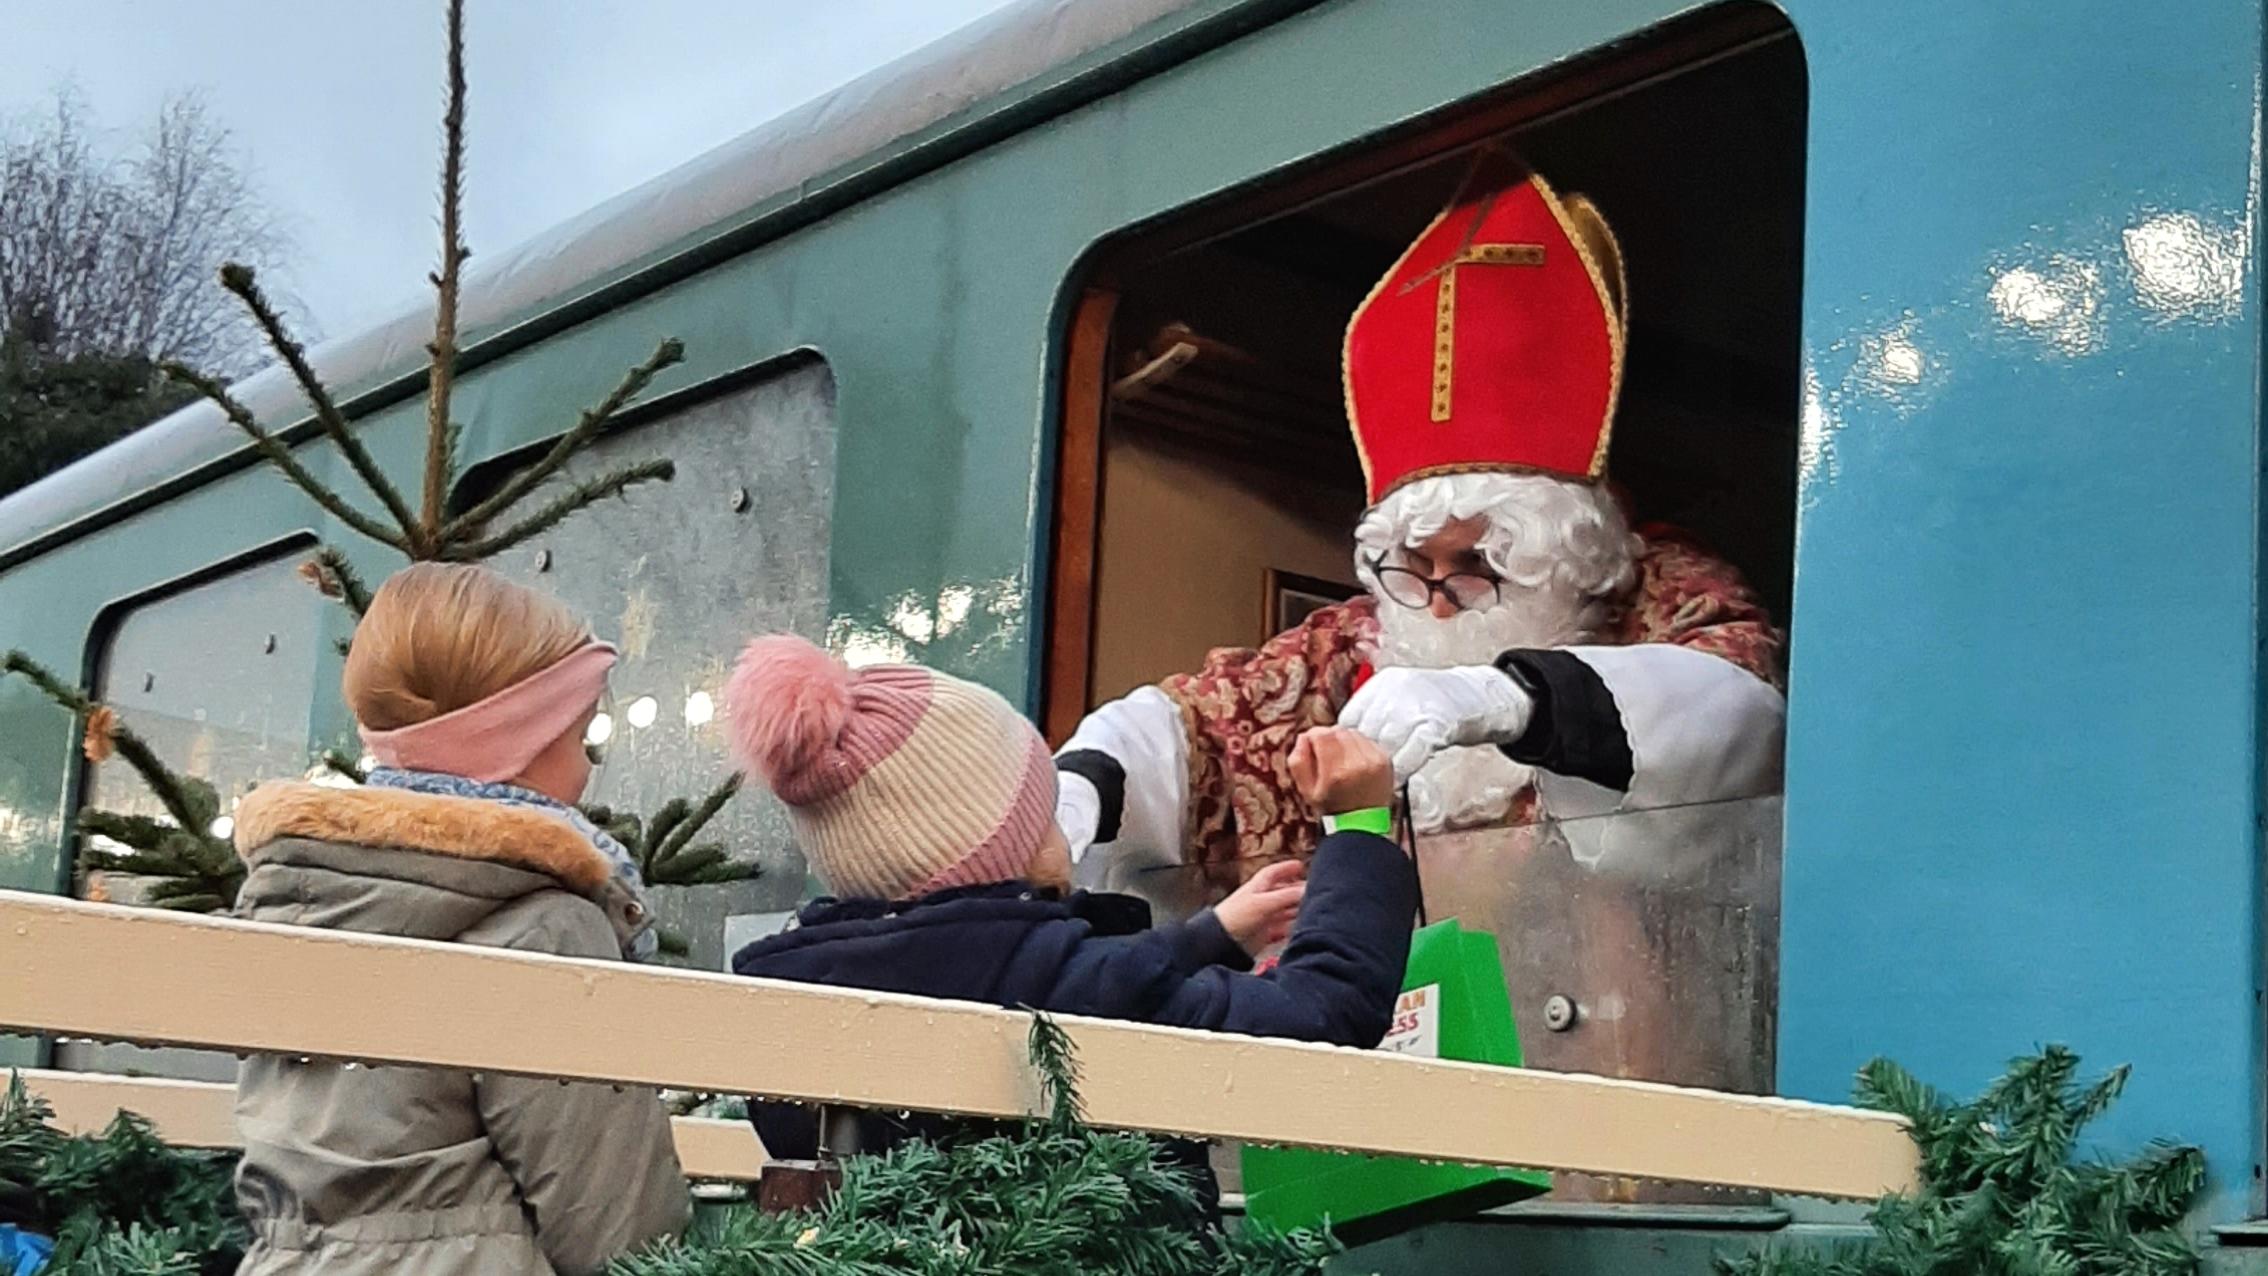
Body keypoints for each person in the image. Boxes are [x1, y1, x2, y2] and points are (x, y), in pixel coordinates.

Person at [1053, 154, 1788, 910]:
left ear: (1560, 560)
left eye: (1475, 564)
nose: (1434, 604)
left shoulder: (1669, 600)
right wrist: (1091, 777)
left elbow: (1739, 719)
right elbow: (1204, 728)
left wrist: (1501, 700)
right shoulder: (1354, 643)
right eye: (1412, 564)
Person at [722, 634, 1417, 1195]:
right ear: (1007, 844)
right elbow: (1322, 1017)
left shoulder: (803, 998)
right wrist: (1357, 827)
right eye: (1044, 806)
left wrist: (1212, 935)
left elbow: (1047, 972)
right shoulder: (1063, 991)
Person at [227, 562, 688, 1275]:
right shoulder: (548, 926)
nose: (590, 765)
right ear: (519, 741)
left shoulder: (301, 903)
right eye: (580, 733)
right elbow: (617, 1225)